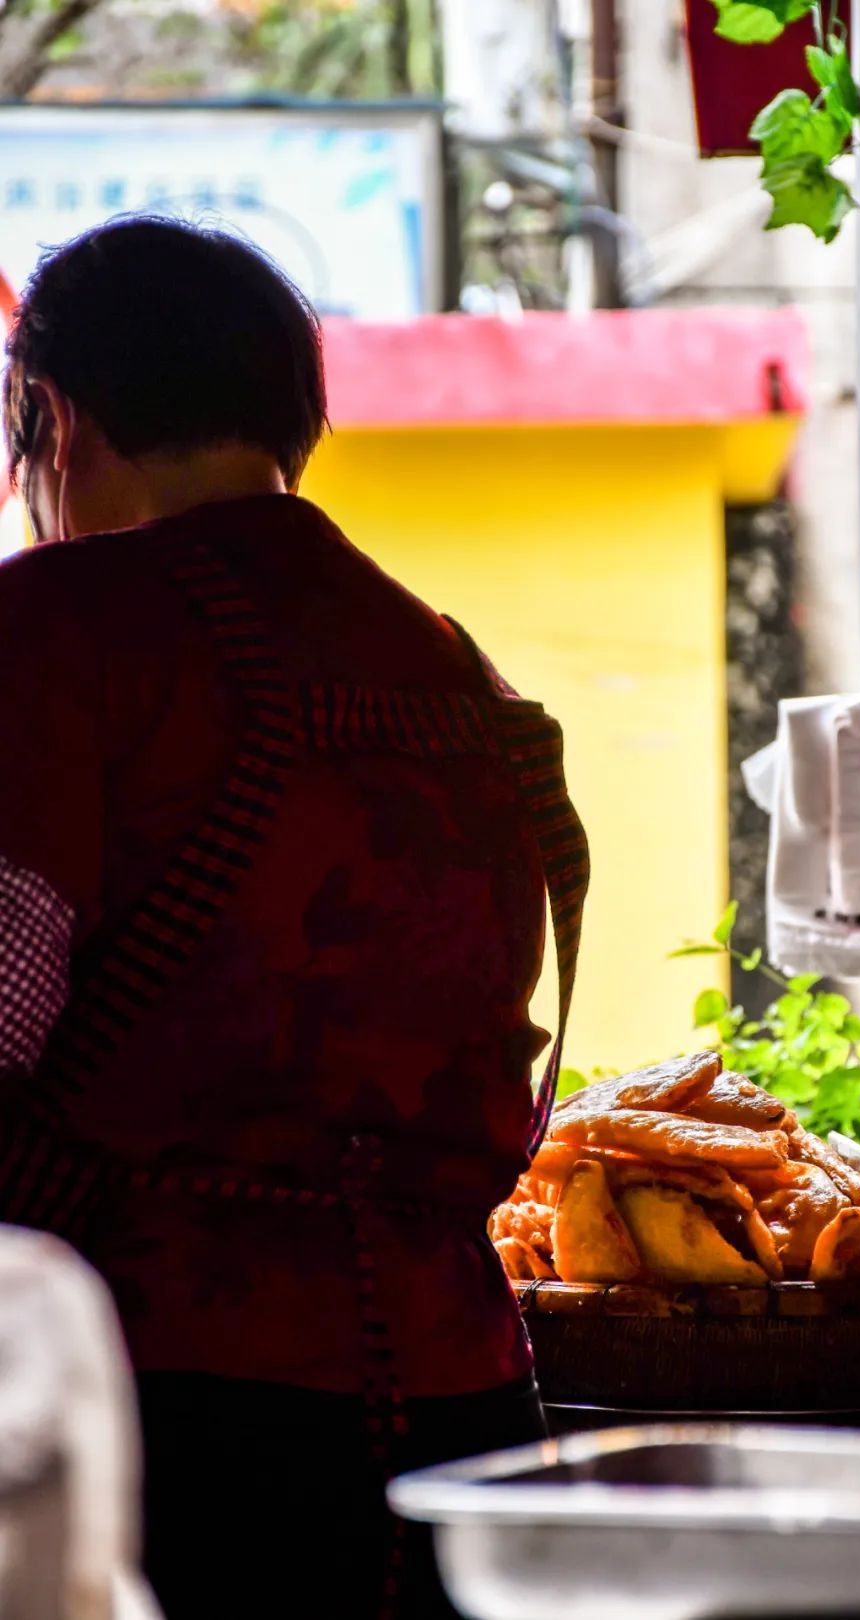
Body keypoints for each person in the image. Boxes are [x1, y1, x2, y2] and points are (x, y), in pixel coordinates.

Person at [0, 217, 588, 1618]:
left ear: (51, 414)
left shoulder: (59, 625)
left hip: (156, 1404)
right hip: (465, 1409)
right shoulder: (463, 670)